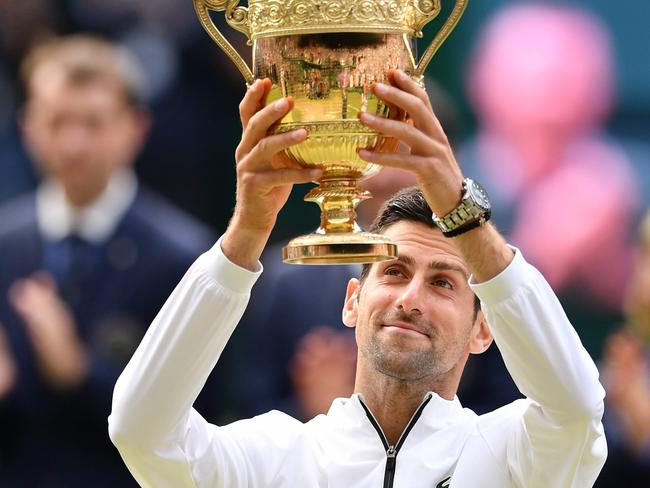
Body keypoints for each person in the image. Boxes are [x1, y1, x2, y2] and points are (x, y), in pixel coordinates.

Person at [109, 70, 607, 486]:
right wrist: (246, 233)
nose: (411, 298)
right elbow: (140, 430)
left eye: (443, 283)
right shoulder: (272, 458)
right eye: (393, 271)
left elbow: (576, 408)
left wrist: (462, 212)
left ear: (484, 330)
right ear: (352, 300)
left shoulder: (514, 458)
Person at [0, 35, 213, 486]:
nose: (74, 144)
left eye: (93, 123)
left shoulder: (182, 257)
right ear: (28, 128)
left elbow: (200, 422)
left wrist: (81, 373)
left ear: (135, 128)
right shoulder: (4, 244)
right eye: (57, 121)